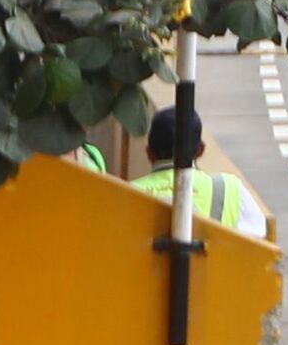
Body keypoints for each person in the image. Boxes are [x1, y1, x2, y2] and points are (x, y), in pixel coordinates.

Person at [76, 99, 267, 240]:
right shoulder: (230, 190)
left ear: (149, 153)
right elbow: (257, 247)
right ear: (200, 150)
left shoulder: (125, 196)